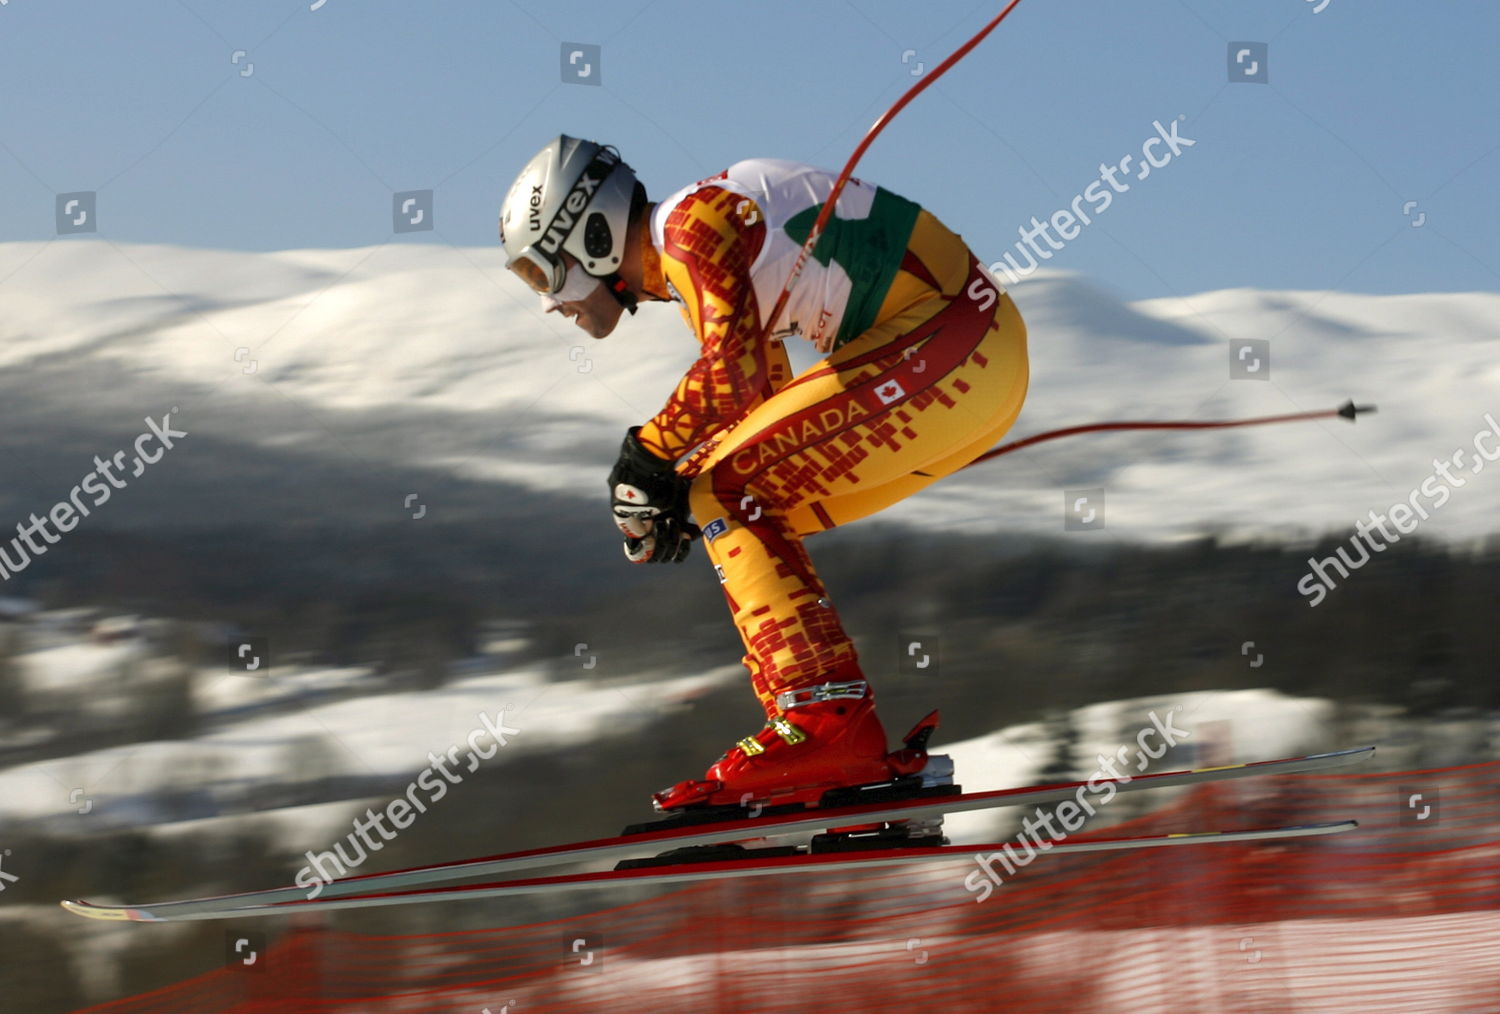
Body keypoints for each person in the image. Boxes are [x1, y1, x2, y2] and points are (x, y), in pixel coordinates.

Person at [499, 135, 1029, 812]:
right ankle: (819, 725)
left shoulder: (692, 227)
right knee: (737, 503)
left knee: (726, 491)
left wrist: (647, 456)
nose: (549, 302)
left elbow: (734, 372)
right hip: (972, 358)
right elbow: (761, 399)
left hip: (953, 345)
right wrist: (674, 489)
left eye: (542, 273)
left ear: (593, 235)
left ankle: (825, 722)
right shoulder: (696, 248)